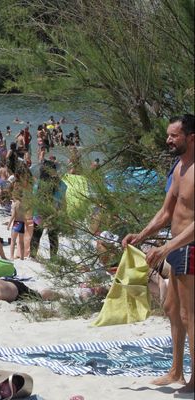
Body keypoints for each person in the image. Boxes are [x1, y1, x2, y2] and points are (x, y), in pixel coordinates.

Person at [122, 114, 194, 393]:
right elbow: (166, 212)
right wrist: (140, 236)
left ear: (191, 138)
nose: (168, 140)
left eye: (174, 135)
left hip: (190, 248)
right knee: (171, 309)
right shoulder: (179, 167)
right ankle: (176, 370)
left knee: (189, 314)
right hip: (178, 246)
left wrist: (166, 247)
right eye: (168, 135)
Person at [9, 192, 26, 260]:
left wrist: (9, 224)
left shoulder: (15, 204)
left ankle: (11, 256)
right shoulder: (23, 204)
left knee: (13, 241)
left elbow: (13, 215)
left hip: (16, 223)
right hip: (22, 223)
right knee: (21, 241)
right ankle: (22, 257)